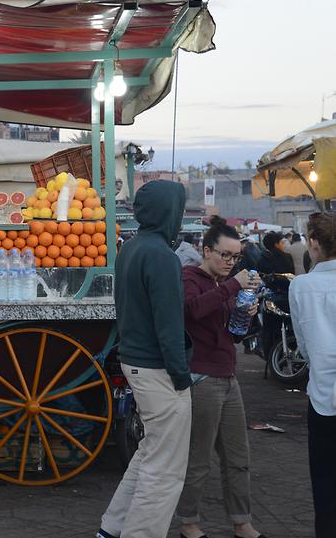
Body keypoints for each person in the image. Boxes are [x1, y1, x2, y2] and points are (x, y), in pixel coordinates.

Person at [97, 180, 192, 538]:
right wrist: (181, 377)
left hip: (135, 362)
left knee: (149, 454)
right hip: (158, 370)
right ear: (171, 213)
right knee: (165, 471)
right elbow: (169, 325)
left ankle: (112, 528)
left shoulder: (131, 249)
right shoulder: (163, 257)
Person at [175, 216, 265, 538]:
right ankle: (188, 523)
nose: (230, 262)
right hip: (202, 378)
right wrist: (233, 285)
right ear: (206, 250)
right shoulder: (190, 277)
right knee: (198, 458)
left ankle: (242, 522)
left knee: (238, 456)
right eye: (225, 255)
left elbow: (230, 335)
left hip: (228, 376)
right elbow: (193, 310)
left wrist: (245, 318)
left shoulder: (226, 285)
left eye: (235, 256)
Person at [288, 211, 336, 537]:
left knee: (325, 484)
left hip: (323, 397)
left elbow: (302, 345)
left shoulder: (301, 286)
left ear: (314, 243)